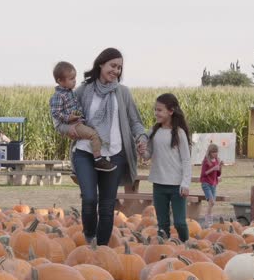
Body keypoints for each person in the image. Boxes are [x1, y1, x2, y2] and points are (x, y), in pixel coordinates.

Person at [72, 48, 148, 246]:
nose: (116, 71)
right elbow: (64, 115)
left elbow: (135, 122)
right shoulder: (83, 91)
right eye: (113, 66)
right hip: (86, 152)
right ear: (101, 64)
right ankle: (90, 236)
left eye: (120, 68)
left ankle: (102, 250)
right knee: (89, 199)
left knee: (106, 207)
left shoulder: (122, 93)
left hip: (114, 155)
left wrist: (141, 137)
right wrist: (70, 127)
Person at [142, 93, 192, 242]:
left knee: (180, 223)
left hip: (177, 186)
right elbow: (147, 155)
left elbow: (186, 160)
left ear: (171, 111)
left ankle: (186, 245)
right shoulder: (154, 131)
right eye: (155, 110)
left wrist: (185, 183)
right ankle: (163, 250)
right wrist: (141, 150)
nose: (156, 113)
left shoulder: (179, 133)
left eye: (160, 110)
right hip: (159, 184)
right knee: (162, 224)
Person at [50, 61, 116, 172]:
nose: (74, 81)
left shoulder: (70, 92)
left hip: (76, 122)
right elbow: (56, 113)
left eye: (75, 78)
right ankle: (98, 160)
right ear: (60, 81)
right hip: (72, 124)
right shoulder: (58, 95)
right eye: (71, 79)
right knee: (94, 135)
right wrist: (68, 118)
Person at [200, 143, 223, 226]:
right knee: (211, 201)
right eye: (213, 152)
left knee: (212, 203)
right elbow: (203, 174)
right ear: (209, 152)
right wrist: (213, 168)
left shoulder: (217, 160)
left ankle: (209, 220)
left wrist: (220, 167)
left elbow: (218, 174)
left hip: (213, 184)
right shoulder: (206, 161)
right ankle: (208, 221)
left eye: (216, 152)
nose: (215, 154)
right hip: (206, 183)